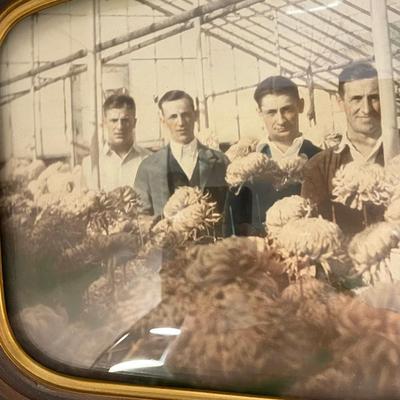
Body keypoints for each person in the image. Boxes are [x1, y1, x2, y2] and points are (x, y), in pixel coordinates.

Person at [226, 76, 321, 236]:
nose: (280, 120)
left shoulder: (320, 158)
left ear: (301, 106)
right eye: (271, 112)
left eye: (287, 109)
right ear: (259, 112)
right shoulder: (245, 167)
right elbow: (233, 226)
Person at [301, 62, 384, 235]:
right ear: (340, 102)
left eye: (374, 97)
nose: (366, 109)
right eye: (356, 99)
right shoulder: (319, 166)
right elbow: (312, 232)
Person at [134, 90, 228, 217]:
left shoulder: (221, 161)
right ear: (162, 120)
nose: (181, 123)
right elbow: (142, 217)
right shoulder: (148, 168)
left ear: (196, 115)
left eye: (186, 115)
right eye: (173, 117)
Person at [81, 94, 150, 191]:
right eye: (114, 120)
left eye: (125, 120)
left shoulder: (149, 160)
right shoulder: (89, 164)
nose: (120, 127)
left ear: (134, 122)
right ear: (104, 123)